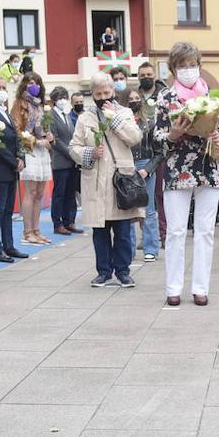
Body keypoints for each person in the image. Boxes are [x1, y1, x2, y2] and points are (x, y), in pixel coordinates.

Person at [154, 41, 219, 306]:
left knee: (206, 231)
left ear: (199, 66)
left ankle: (200, 288)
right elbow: (156, 138)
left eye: (192, 65)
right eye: (183, 66)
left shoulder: (211, 96)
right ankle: (173, 288)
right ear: (174, 69)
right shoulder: (165, 98)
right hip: (178, 169)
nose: (188, 70)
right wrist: (172, 134)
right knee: (175, 231)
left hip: (209, 168)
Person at [70, 72, 145, 287]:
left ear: (113, 92)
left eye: (107, 92)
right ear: (92, 94)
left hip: (119, 180)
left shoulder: (125, 112)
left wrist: (115, 119)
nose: (103, 97)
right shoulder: (85, 118)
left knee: (122, 231)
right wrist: (89, 153)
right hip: (95, 181)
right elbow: (73, 147)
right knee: (100, 231)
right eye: (98, 93)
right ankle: (103, 271)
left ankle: (123, 271)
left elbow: (134, 138)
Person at [0, 75, 29, 264]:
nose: (2, 91)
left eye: (4, 87)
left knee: (9, 209)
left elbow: (16, 137)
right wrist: (12, 161)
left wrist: (21, 157)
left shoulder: (5, 112)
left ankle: (9, 245)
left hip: (12, 167)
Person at [14, 72, 54, 244]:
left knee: (39, 194)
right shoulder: (19, 104)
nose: (34, 85)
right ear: (24, 85)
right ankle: (27, 232)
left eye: (36, 83)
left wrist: (50, 136)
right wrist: (37, 141)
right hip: (29, 150)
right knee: (30, 192)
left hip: (43, 152)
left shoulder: (42, 105)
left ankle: (36, 230)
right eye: (30, 82)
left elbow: (45, 128)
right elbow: (17, 131)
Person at [127, 87, 161, 262]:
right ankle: (129, 250)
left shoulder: (149, 122)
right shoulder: (120, 122)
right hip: (126, 167)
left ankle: (151, 248)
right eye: (130, 99)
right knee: (128, 210)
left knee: (148, 210)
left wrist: (148, 169)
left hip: (144, 165)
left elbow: (159, 151)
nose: (134, 101)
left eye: (136, 98)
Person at [138, 61, 167, 243]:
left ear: (154, 76)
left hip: (161, 150)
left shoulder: (164, 94)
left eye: (149, 75)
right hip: (142, 151)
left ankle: (164, 234)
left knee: (161, 195)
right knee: (142, 197)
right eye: (142, 76)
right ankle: (147, 236)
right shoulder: (135, 96)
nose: (146, 78)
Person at [48, 86, 81, 236]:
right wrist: (71, 152)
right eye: (59, 98)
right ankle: (58, 223)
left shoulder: (67, 115)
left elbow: (72, 135)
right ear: (54, 100)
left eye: (64, 97)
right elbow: (55, 139)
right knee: (59, 193)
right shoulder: (50, 116)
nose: (62, 100)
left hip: (72, 161)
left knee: (70, 192)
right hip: (60, 161)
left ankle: (69, 221)